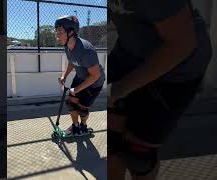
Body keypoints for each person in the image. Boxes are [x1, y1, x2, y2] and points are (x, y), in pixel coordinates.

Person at [108, 0, 212, 179]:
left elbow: (181, 44)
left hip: (178, 66)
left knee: (138, 155)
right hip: (129, 53)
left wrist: (119, 89)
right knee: (110, 144)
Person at [55, 15, 106, 135]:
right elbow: (72, 62)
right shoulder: (67, 47)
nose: (57, 36)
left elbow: (95, 75)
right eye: (56, 32)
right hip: (80, 77)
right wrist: (64, 76)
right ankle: (75, 126)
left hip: (94, 82)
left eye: (60, 32)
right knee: (71, 104)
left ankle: (83, 126)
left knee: (82, 109)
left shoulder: (86, 50)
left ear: (71, 32)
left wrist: (76, 89)